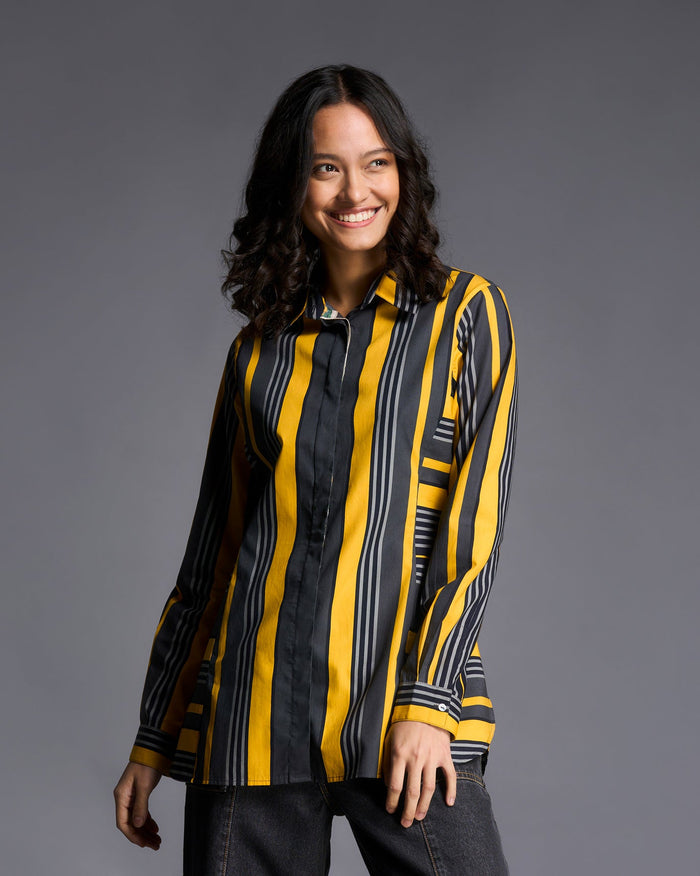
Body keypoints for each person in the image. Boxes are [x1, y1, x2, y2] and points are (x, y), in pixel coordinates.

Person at [113, 64, 517, 875]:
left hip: (398, 713)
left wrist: (429, 703)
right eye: (326, 167)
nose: (355, 191)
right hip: (249, 722)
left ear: (403, 172)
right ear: (292, 185)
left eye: (376, 163)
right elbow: (211, 560)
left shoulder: (465, 314)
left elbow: (471, 533)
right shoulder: (256, 351)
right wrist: (155, 736)